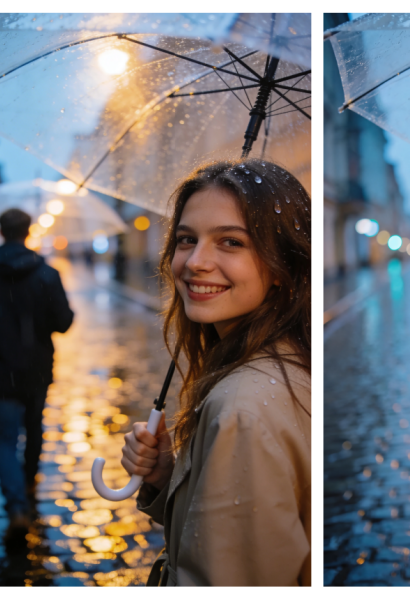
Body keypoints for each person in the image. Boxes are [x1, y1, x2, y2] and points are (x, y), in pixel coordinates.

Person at [120, 159, 311, 586]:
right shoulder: (283, 364)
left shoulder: (242, 409)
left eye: (231, 242)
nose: (196, 262)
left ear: (283, 265)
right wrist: (169, 475)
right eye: (186, 239)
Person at [0, 208, 74, 538]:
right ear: (27, 232)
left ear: (0, 231)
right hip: (36, 369)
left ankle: (16, 507)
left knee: (5, 439)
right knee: (34, 429)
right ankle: (28, 484)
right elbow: (63, 322)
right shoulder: (47, 274)